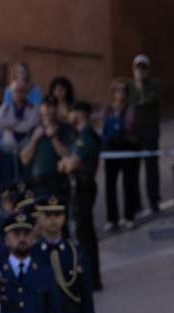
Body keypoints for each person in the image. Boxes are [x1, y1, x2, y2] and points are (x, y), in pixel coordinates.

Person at [60, 101, 103, 292]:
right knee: (83, 234)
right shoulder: (80, 136)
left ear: (82, 114)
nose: (71, 115)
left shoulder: (85, 137)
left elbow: (69, 165)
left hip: (84, 186)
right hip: (82, 186)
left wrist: (67, 164)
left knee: (85, 236)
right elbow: (66, 162)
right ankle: (91, 278)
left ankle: (92, 280)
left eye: (74, 111)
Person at [101, 78, 139, 234]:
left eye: (123, 90)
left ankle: (129, 217)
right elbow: (105, 129)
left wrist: (118, 125)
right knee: (110, 185)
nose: (120, 93)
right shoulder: (108, 110)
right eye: (117, 90)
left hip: (127, 147)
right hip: (111, 149)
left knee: (128, 183)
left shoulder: (130, 109)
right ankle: (112, 219)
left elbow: (129, 126)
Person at [19, 96, 73, 196]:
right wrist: (34, 139)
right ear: (40, 108)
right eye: (45, 106)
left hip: (59, 182)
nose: (48, 110)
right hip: (37, 181)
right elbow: (24, 159)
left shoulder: (65, 129)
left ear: (56, 108)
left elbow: (67, 156)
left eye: (51, 106)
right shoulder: (33, 130)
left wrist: (53, 137)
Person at [131, 53, 162, 219]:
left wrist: (141, 89)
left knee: (151, 168)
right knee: (134, 169)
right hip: (134, 134)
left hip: (150, 131)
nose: (140, 71)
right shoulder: (129, 88)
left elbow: (148, 102)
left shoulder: (153, 86)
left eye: (143, 68)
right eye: (138, 67)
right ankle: (136, 204)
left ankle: (154, 200)